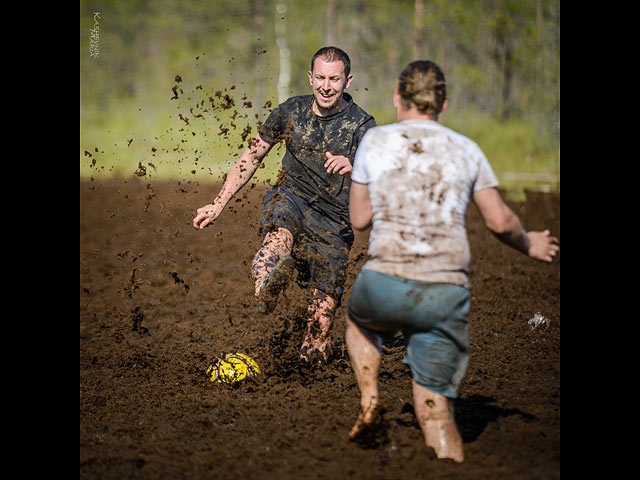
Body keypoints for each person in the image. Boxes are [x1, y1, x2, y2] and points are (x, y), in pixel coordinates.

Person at [345, 60, 559, 462]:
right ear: (444, 104)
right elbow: (498, 220)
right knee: (438, 412)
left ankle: (370, 398)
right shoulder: (467, 149)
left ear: (397, 97)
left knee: (361, 323)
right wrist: (528, 242)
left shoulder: (374, 141)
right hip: (443, 290)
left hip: (384, 280)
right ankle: (446, 457)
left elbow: (359, 219)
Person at [193, 46, 376, 364]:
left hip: (335, 221)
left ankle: (309, 363)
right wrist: (218, 202)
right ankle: (267, 283)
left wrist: (355, 166)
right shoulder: (291, 111)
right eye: (320, 77)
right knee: (278, 237)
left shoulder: (363, 125)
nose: (326, 86)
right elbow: (252, 155)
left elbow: (383, 176)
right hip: (291, 198)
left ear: (348, 81)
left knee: (319, 330)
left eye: (334, 79)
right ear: (310, 77)